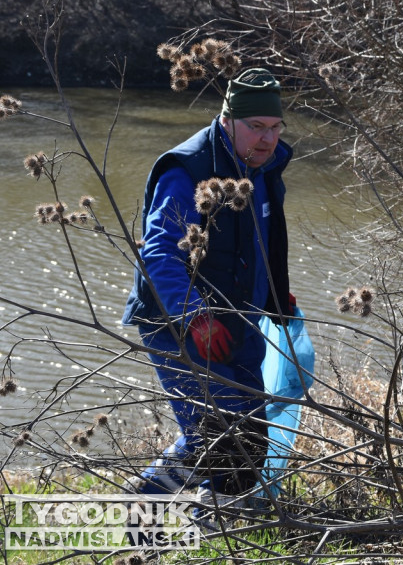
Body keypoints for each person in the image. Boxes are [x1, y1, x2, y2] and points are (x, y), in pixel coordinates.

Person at [122, 67, 295, 501]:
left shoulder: (264, 167)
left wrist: (276, 291)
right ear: (227, 120)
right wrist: (194, 314)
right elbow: (159, 255)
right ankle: (139, 509)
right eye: (256, 127)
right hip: (178, 323)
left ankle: (215, 536)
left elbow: (258, 240)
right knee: (217, 438)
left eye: (275, 128)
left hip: (239, 320)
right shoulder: (187, 172)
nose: (267, 138)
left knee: (249, 447)